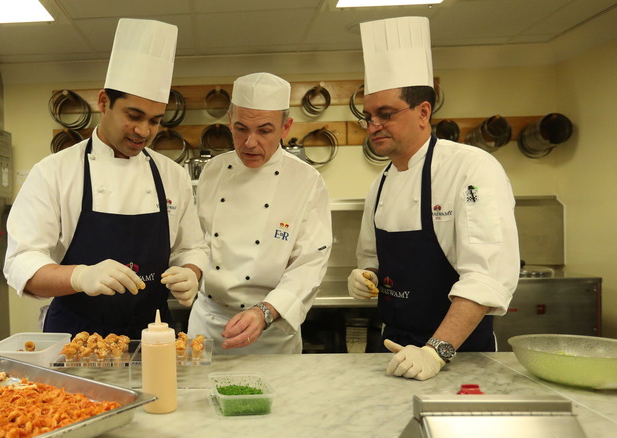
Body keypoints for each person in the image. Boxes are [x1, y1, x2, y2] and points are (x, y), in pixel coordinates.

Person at [3, 18, 208, 339]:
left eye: (155, 121)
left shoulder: (172, 175)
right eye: (133, 115)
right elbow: (21, 263)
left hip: (153, 335)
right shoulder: (54, 172)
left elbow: (192, 248)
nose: (144, 131)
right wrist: (79, 277)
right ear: (103, 102)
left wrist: (191, 272)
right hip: (75, 339)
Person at [347, 17, 519, 380]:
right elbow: (373, 260)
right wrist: (366, 275)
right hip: (393, 351)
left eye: (386, 114)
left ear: (423, 112)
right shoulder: (379, 184)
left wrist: (436, 351)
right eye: (368, 116)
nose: (373, 125)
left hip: (460, 356)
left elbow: (486, 277)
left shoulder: (471, 169)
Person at [189, 72, 333, 354]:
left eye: (264, 131)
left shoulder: (306, 180)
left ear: (285, 127)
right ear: (229, 121)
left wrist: (265, 312)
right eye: (241, 128)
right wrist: (189, 269)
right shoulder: (213, 171)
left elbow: (310, 263)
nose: (250, 142)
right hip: (208, 325)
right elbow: (198, 241)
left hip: (271, 331)